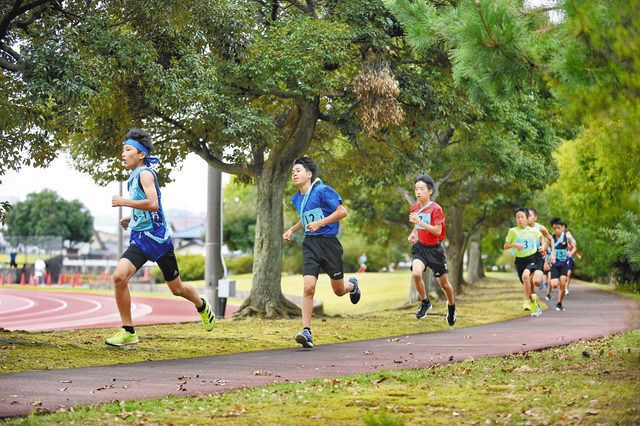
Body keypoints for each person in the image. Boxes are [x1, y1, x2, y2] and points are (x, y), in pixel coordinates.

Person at [107, 128, 215, 347]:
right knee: (119, 277)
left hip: (158, 241)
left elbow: (153, 203)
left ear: (141, 154)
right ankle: (128, 331)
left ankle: (202, 305)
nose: (123, 154)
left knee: (177, 289)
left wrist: (124, 202)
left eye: (128, 150)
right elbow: (147, 208)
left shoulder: (146, 173)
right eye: (123, 150)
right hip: (140, 239)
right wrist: (132, 217)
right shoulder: (134, 175)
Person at [283, 157, 361, 349]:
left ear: (309, 174)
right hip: (310, 244)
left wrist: (320, 223)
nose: (294, 173)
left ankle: (352, 286)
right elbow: (305, 218)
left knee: (339, 290)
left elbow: (342, 212)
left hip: (329, 244)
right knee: (308, 287)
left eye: (298, 170)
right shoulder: (297, 198)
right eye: (293, 171)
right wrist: (292, 230)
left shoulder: (322, 190)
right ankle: (307, 331)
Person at [407, 174, 456, 326]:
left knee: (444, 285)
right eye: (416, 189)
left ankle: (451, 307)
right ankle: (425, 302)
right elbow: (417, 226)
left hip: (435, 250)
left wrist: (419, 221)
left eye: (422, 189)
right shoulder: (415, 207)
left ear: (429, 191)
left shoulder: (436, 209)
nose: (418, 192)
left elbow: (436, 230)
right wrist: (413, 233)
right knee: (416, 274)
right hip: (420, 248)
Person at [504, 208, 544, 317]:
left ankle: (526, 302)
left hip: (531, 259)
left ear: (527, 219)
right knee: (527, 286)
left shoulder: (533, 230)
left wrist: (542, 248)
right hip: (519, 261)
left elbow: (542, 237)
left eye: (522, 217)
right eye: (518, 217)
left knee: (526, 276)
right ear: (516, 219)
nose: (520, 219)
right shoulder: (513, 231)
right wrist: (515, 245)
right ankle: (535, 305)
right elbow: (506, 245)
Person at [545, 219, 574, 311]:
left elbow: (574, 247)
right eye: (555, 228)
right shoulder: (551, 238)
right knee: (554, 285)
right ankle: (552, 290)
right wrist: (546, 261)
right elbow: (545, 250)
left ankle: (559, 303)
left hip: (563, 264)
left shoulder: (567, 237)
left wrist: (571, 253)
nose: (557, 230)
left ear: (562, 228)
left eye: (559, 228)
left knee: (562, 283)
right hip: (554, 264)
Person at [563, 222, 578, 295]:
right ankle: (562, 287)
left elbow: (574, 249)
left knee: (568, 274)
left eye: (569, 234)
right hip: (562, 258)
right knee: (563, 275)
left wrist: (572, 253)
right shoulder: (562, 239)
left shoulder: (573, 241)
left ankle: (566, 288)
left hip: (570, 259)